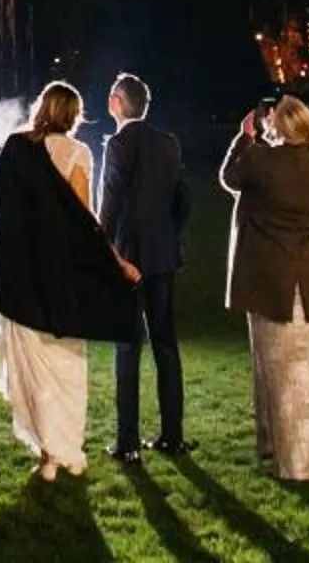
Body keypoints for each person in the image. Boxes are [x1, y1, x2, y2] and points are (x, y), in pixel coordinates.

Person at [0, 80, 140, 480]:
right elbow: (85, 221)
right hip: (60, 275)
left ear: (42, 109)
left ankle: (47, 454)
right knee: (63, 362)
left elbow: (2, 208)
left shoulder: (15, 148)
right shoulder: (77, 153)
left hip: (21, 270)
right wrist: (116, 261)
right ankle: (63, 450)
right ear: (73, 115)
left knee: (34, 362)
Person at [219, 93, 309, 481]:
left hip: (269, 278)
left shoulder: (261, 160)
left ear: (277, 125)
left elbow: (229, 178)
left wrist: (245, 137)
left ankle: (291, 457)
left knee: (279, 373)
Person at [97, 71, 191, 459]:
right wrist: (169, 235)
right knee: (166, 344)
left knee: (127, 347)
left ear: (117, 103)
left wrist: (103, 246)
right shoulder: (168, 143)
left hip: (129, 258)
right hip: (163, 255)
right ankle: (172, 435)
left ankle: (128, 442)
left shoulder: (120, 143)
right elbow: (183, 199)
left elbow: (112, 200)